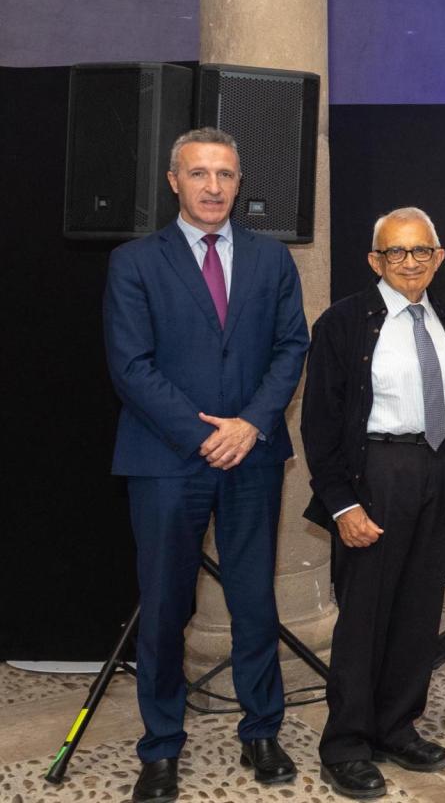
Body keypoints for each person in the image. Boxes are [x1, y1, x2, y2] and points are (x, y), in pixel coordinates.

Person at [105, 128, 309, 803]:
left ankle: (262, 731)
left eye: (225, 174)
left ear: (239, 182)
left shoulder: (271, 258)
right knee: (165, 606)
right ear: (175, 182)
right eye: (199, 174)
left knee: (254, 600)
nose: (213, 187)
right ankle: (162, 745)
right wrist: (202, 437)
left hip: (253, 455)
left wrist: (250, 425)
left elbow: (291, 347)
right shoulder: (135, 262)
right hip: (166, 460)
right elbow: (130, 365)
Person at [303, 207, 445, 798]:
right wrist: (342, 505)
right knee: (364, 618)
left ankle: (397, 726)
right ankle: (346, 743)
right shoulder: (343, 322)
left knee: (419, 612)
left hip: (435, 474)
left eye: (420, 250)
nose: (409, 262)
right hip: (374, 475)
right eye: (395, 252)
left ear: (439, 257)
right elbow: (320, 423)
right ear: (375, 260)